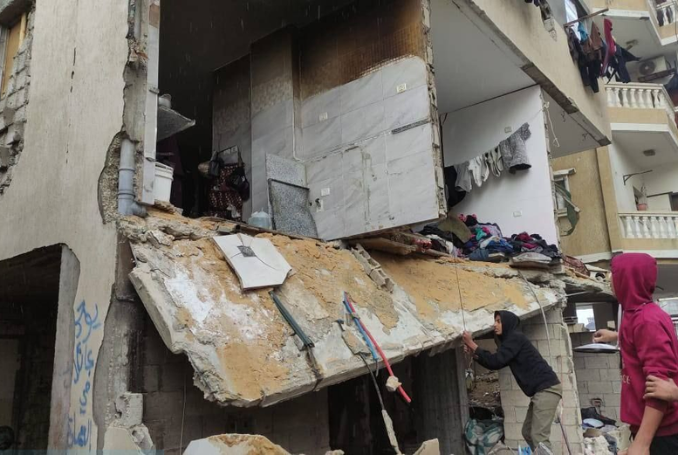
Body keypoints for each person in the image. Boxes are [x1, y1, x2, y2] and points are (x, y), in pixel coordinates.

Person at [462, 311, 562, 453]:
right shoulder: (511, 341)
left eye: (498, 321)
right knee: (527, 432)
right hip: (541, 391)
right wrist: (474, 353)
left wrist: (471, 344)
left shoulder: (515, 338)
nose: (495, 325)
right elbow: (494, 362)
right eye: (495, 321)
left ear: (507, 323)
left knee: (539, 436)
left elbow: (496, 361)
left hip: (547, 389)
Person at [609, 253, 678, 455]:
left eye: (614, 273)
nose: (610, 279)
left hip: (663, 432)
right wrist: (615, 336)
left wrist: (642, 443)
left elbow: (659, 388)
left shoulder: (647, 320)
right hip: (651, 429)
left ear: (627, 278)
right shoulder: (636, 315)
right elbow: (639, 343)